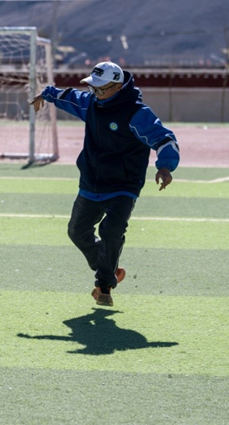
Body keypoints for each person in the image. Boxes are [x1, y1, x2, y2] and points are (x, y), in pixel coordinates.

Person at [30, 61, 180, 307]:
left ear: (118, 87)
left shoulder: (137, 113)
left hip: (124, 185)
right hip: (91, 182)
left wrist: (165, 166)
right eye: (93, 89)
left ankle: (104, 286)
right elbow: (69, 96)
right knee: (76, 231)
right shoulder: (91, 103)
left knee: (111, 231)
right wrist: (46, 93)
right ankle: (109, 269)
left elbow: (164, 138)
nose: (96, 94)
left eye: (101, 89)